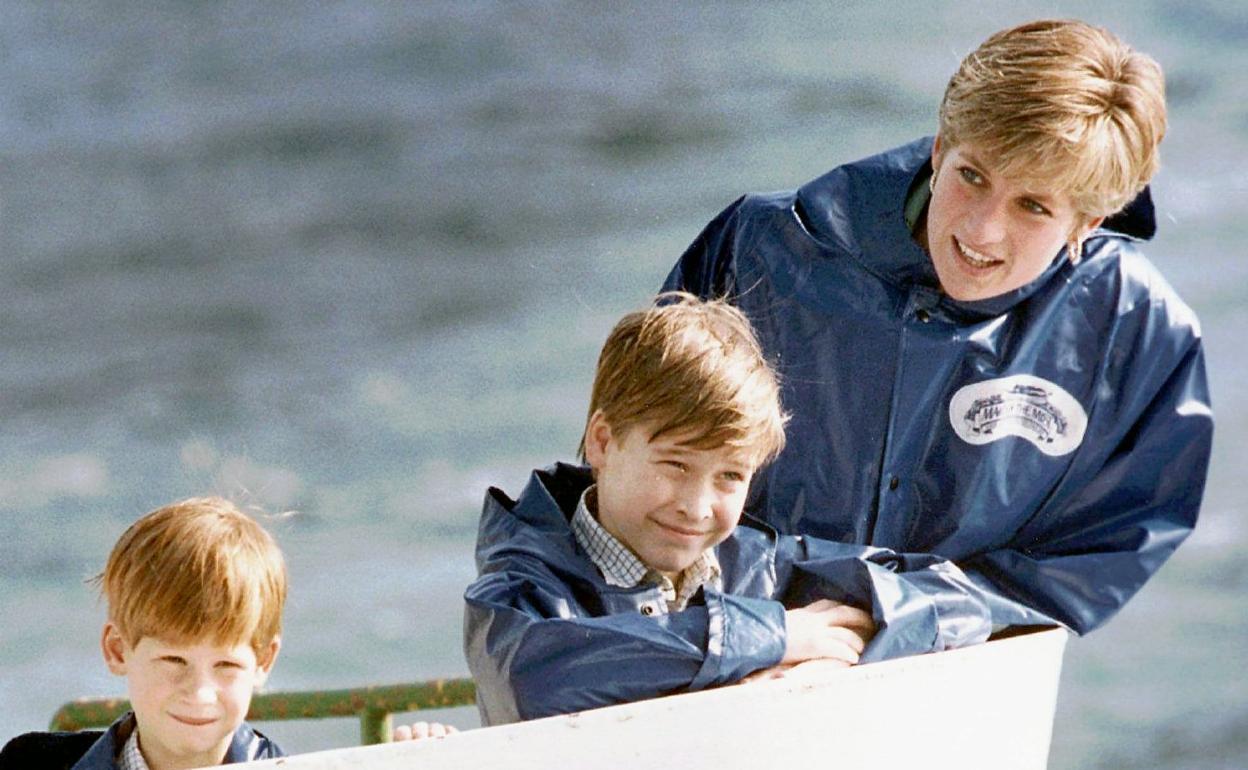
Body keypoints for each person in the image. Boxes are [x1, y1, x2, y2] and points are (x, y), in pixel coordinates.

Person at [662, 19, 1212, 643]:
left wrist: (907, 612)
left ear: (1087, 220)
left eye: (1032, 206)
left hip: (955, 672)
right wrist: (771, 623)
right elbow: (645, 459)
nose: (981, 232)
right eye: (971, 176)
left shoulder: (1137, 330)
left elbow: (1101, 551)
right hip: (732, 640)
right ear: (939, 148)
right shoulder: (761, 246)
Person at [465, 293, 987, 725]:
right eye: (675, 465)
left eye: (730, 477)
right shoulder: (518, 587)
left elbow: (960, 602)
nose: (696, 507)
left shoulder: (759, 568)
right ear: (602, 441)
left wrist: (823, 662)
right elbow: (536, 679)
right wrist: (770, 637)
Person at [0, 498, 287, 770]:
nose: (199, 693)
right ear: (117, 650)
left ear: (263, 661)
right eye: (174, 660)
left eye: (226, 665)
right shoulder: (28, 764)